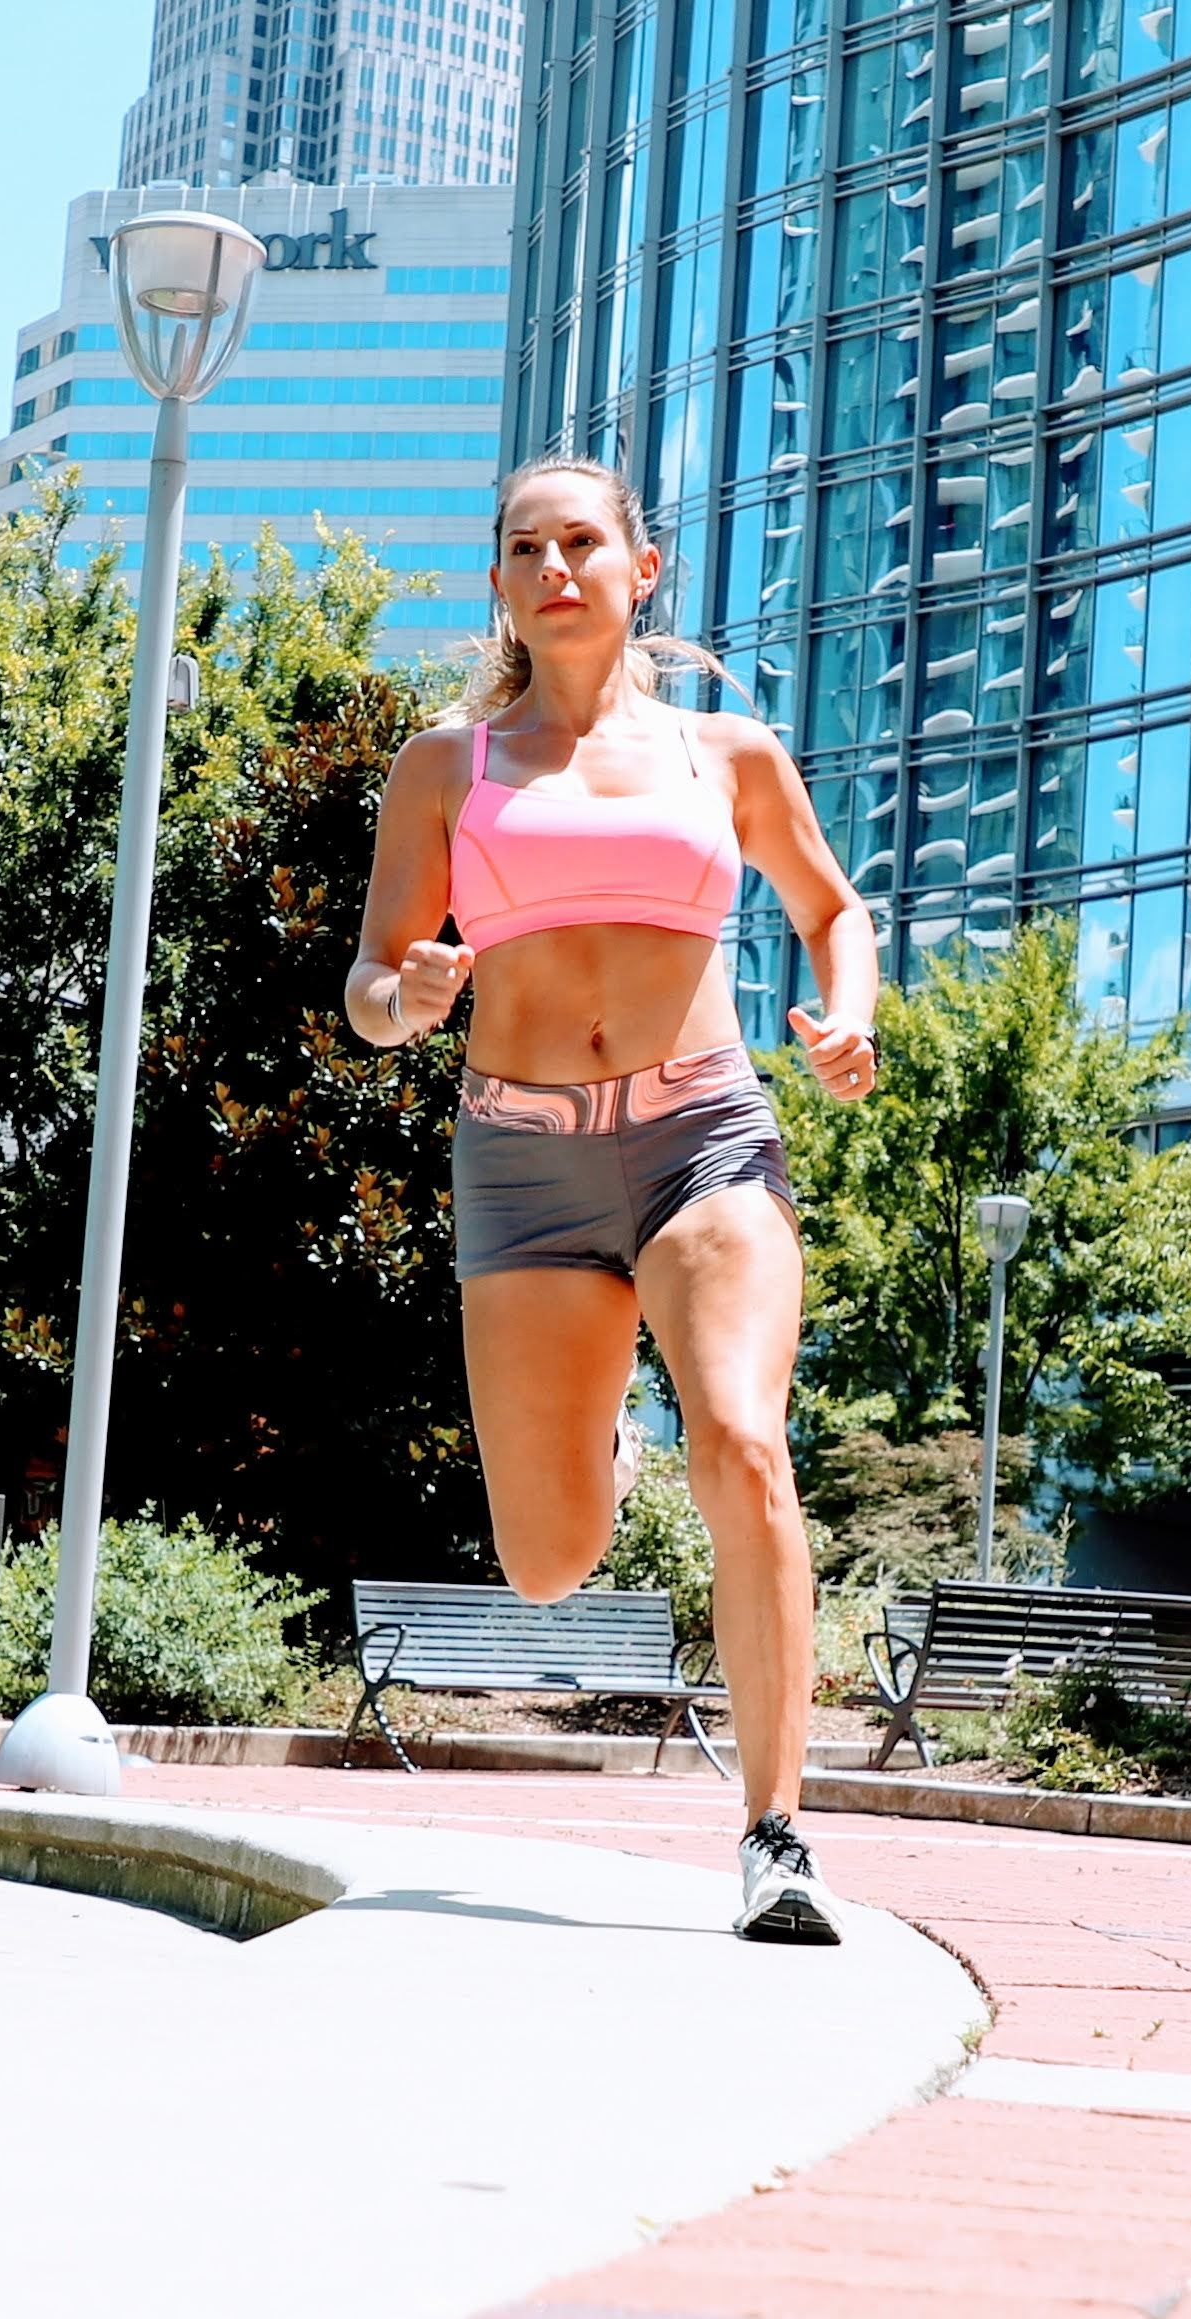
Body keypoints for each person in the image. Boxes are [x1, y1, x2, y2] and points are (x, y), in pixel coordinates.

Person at [343, 454, 878, 1944]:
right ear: (502, 584)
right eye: (528, 547)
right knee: (548, 1557)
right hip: (521, 1160)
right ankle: (628, 1420)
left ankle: (778, 1835)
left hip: (703, 1135)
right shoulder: (444, 768)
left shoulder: (729, 757)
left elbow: (835, 912)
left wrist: (851, 1012)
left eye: (585, 541)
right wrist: (415, 993)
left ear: (641, 569)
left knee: (749, 1441)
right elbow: (371, 987)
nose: (557, 565)